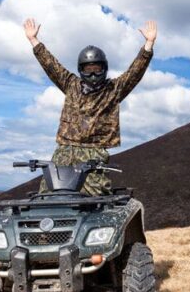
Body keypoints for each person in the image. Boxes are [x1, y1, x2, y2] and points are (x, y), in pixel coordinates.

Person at [23, 18, 157, 195]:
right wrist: (33, 40)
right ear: (81, 70)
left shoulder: (114, 89)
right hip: (65, 149)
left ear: (105, 68)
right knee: (48, 193)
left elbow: (135, 72)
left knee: (94, 196)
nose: (93, 74)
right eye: (88, 69)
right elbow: (51, 65)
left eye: (97, 68)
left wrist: (148, 44)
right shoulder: (70, 84)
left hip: (93, 152)